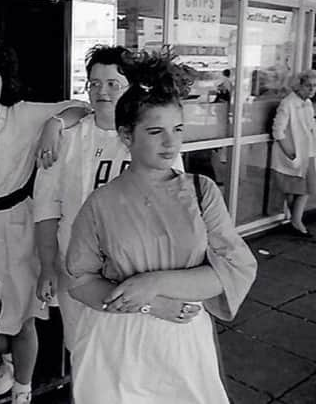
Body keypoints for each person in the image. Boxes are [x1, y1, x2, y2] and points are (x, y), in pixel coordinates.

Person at [65, 49, 257, 404]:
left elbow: (233, 268)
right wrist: (147, 304)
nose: (171, 143)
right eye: (155, 131)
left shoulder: (201, 192)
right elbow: (79, 281)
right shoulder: (100, 204)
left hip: (182, 341)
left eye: (178, 129)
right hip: (116, 342)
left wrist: (153, 284)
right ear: (126, 135)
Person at [33, 45, 189, 400]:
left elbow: (174, 214)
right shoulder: (67, 139)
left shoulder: (148, 139)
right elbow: (46, 210)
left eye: (113, 83)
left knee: (135, 364)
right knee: (85, 356)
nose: (102, 92)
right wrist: (46, 267)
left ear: (130, 86)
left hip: (135, 272)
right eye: (94, 83)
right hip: (78, 273)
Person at [0, 37, 89, 404]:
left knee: (23, 315)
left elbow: (82, 107)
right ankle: (9, 357)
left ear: (4, 82)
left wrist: (54, 125)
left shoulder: (24, 113)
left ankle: (23, 391)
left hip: (18, 222)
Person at [271, 69, 316, 238]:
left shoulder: (308, 103)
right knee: (296, 189)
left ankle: (295, 222)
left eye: (315, 86)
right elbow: (278, 130)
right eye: (308, 86)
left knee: (305, 188)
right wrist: (290, 152)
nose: (312, 89)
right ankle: (297, 223)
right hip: (292, 153)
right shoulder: (288, 103)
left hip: (308, 152)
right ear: (299, 86)